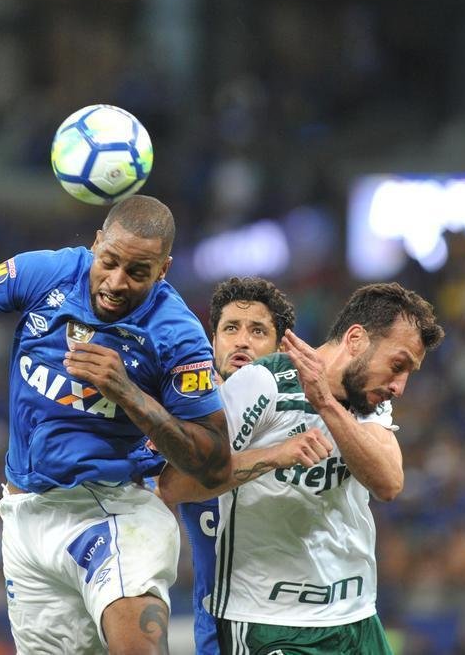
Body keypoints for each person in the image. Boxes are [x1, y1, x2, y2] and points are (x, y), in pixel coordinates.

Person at [0, 194, 231, 654]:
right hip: (25, 517)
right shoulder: (47, 273)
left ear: (163, 270)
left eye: (137, 272)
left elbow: (214, 462)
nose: (116, 282)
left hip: (113, 510)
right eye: (109, 262)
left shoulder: (177, 334)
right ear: (96, 243)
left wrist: (130, 394)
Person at [159, 282, 444, 655]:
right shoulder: (262, 382)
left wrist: (325, 403)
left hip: (356, 617)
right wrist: (274, 456)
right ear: (355, 340)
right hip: (270, 620)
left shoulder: (367, 400)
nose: (400, 386)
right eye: (397, 365)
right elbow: (175, 484)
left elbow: (389, 483)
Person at [175, 277, 303, 655]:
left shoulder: (304, 423)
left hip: (292, 626)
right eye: (231, 328)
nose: (242, 341)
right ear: (213, 341)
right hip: (215, 631)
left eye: (258, 331)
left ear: (282, 348)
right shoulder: (181, 421)